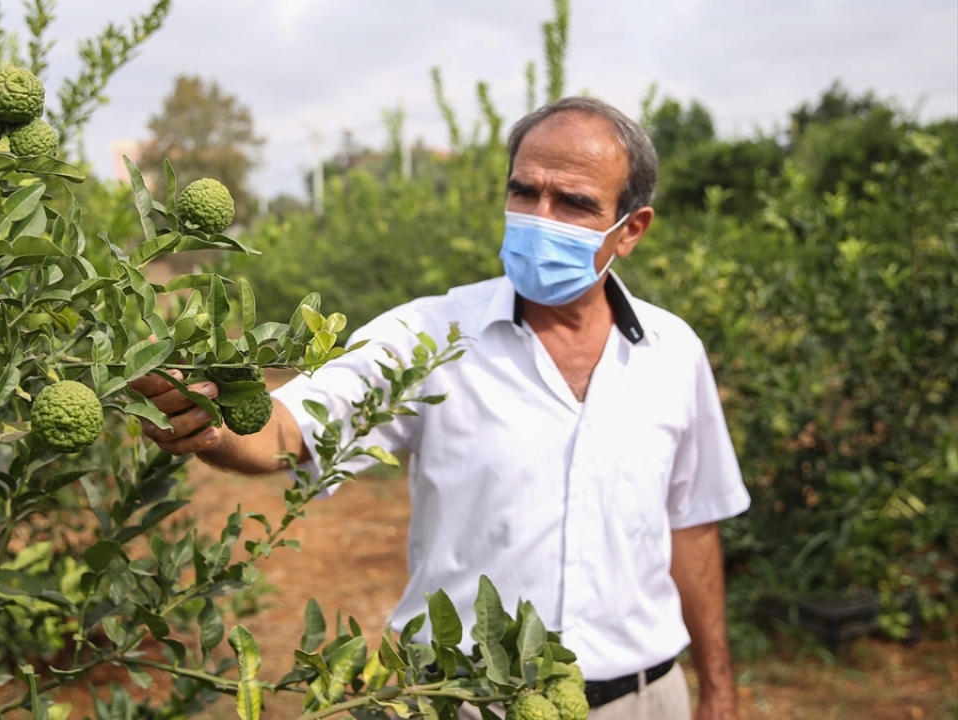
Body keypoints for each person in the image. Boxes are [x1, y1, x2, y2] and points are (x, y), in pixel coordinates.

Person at [131, 97, 750, 720]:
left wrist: (719, 688)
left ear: (631, 229)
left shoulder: (673, 353)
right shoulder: (430, 337)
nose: (540, 217)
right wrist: (213, 422)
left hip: (645, 700)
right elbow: (289, 429)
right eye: (524, 191)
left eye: (573, 203)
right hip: (466, 702)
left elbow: (693, 524)